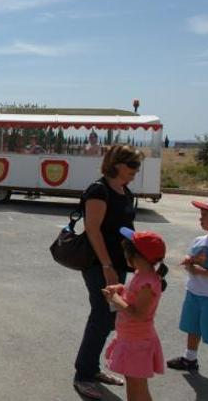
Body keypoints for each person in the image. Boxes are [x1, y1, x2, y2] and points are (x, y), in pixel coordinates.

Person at [73, 144, 144, 400]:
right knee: (102, 315)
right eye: (132, 165)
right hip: (98, 264)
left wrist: (137, 259)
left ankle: (91, 368)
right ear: (117, 164)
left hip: (117, 264)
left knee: (109, 318)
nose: (136, 170)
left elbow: (127, 230)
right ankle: (83, 375)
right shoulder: (99, 190)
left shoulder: (124, 191)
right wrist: (107, 266)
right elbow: (93, 230)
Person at [102, 228, 168, 401]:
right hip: (130, 338)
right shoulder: (140, 274)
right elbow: (133, 296)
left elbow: (138, 314)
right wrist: (120, 289)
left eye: (125, 251)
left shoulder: (148, 283)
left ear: (137, 256)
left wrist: (115, 299)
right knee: (134, 385)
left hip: (137, 343)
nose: (123, 254)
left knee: (137, 388)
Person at [166, 199, 208, 372]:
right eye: (201, 215)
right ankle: (189, 358)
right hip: (194, 292)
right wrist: (189, 261)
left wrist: (203, 272)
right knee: (193, 326)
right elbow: (192, 259)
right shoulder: (199, 240)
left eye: (205, 216)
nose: (200, 219)